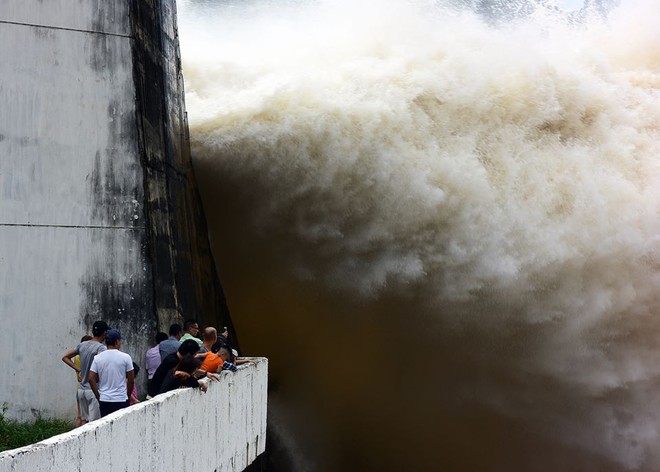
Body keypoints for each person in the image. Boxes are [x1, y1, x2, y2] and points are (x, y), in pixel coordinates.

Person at [61, 321, 108, 425]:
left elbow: (65, 357)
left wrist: (78, 369)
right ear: (105, 333)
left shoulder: (82, 345)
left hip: (81, 390)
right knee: (94, 424)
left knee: (84, 422)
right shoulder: (101, 348)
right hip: (94, 389)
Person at [88, 329, 134, 417]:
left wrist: (98, 396)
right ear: (117, 342)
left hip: (104, 399)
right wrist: (127, 396)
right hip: (121, 399)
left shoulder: (98, 358)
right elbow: (131, 380)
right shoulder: (126, 357)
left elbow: (91, 378)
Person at [73, 335, 92, 427]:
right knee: (86, 418)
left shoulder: (76, 356)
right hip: (88, 388)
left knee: (79, 416)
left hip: (79, 388)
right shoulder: (87, 357)